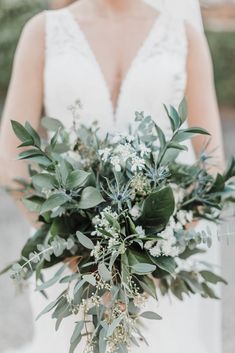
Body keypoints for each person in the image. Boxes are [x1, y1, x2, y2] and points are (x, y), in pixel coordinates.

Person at [0, 0, 224, 352]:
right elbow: (11, 155)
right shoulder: (43, 32)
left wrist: (155, 248)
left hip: (159, 272)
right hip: (66, 262)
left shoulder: (185, 37)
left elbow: (212, 164)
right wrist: (67, 244)